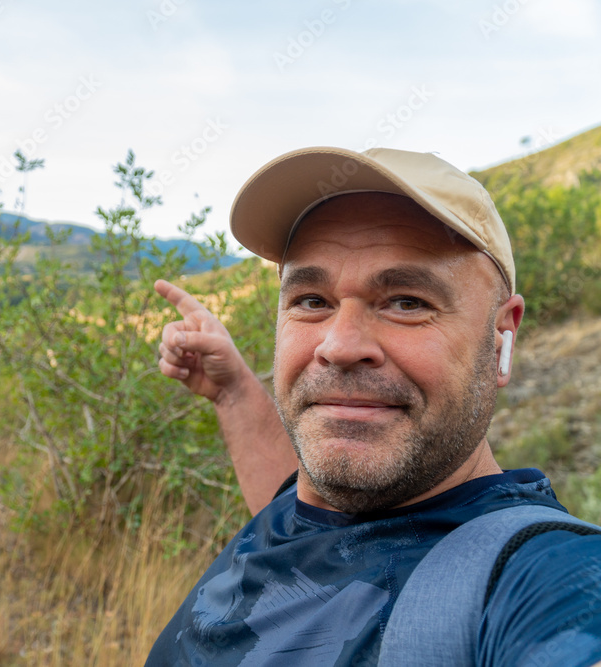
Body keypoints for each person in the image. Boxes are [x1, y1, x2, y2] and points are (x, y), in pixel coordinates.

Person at [147, 146, 601, 666]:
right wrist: (230, 391)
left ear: (500, 337)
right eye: (312, 301)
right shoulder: (313, 506)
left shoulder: (543, 581)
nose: (338, 346)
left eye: (407, 302)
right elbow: (294, 503)